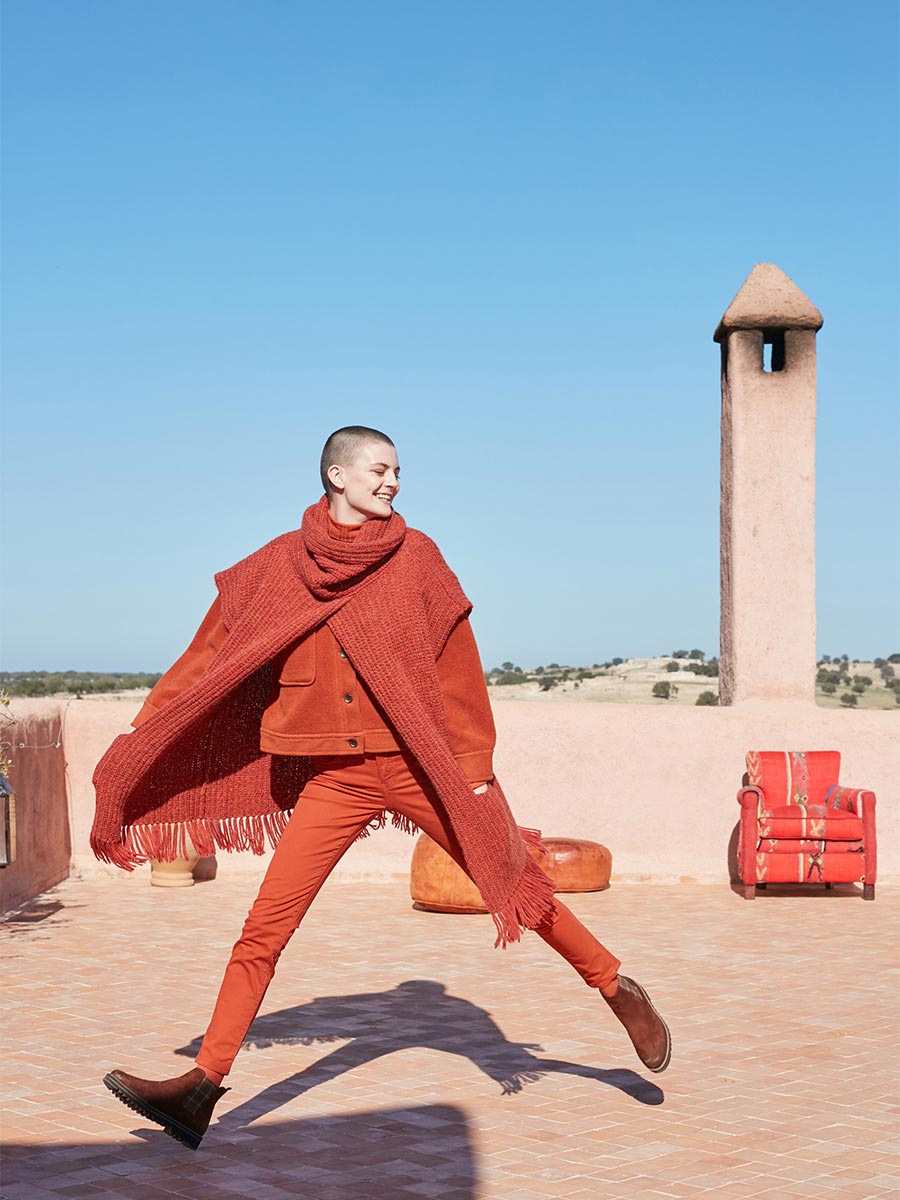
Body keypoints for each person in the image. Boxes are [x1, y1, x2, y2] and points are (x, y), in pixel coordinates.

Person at [96, 425, 670, 1151]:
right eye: (378, 469)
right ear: (336, 474)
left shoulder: (416, 557)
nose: (392, 481)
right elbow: (209, 657)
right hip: (335, 778)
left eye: (398, 470)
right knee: (264, 928)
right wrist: (144, 736)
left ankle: (615, 988)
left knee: (510, 878)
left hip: (420, 763)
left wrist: (474, 769)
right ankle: (201, 1088)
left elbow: (457, 662)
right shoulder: (277, 565)